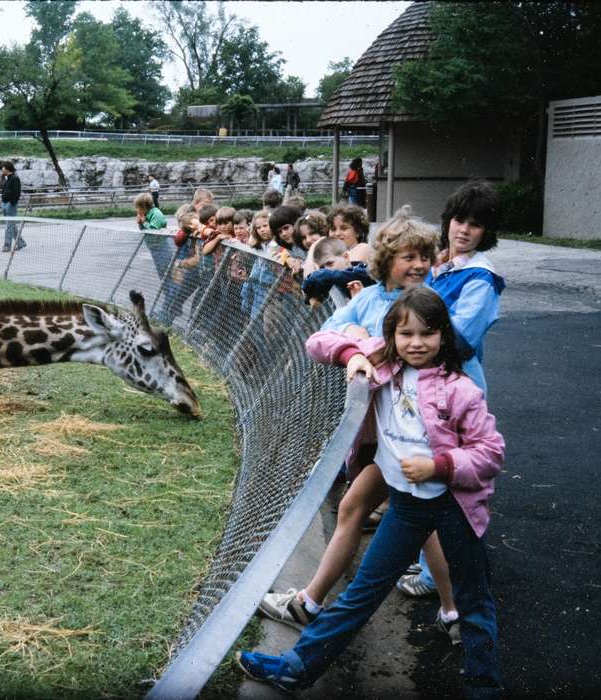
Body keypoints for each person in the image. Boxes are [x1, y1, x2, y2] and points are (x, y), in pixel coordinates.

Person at [237, 287, 504, 698]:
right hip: (406, 507)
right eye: (406, 334)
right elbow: (318, 342)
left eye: (428, 334)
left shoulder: (460, 388)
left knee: (473, 601)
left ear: (443, 337)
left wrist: (439, 466)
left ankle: (484, 685)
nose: (416, 343)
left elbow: (490, 453)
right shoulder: (385, 366)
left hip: (455, 509)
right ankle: (296, 667)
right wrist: (353, 355)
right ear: (392, 336)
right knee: (361, 593)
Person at [256, 207, 439, 637]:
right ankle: (456, 613)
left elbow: (436, 353)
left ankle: (312, 604)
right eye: (408, 256)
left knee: (409, 519)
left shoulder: (431, 303)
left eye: (424, 257)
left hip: (418, 438)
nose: (418, 265)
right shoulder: (369, 300)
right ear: (386, 259)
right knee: (386, 513)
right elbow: (318, 339)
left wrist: (367, 343)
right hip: (383, 438)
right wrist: (349, 349)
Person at [396, 181, 506, 620]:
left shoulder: (480, 277)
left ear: (486, 232)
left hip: (457, 384)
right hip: (432, 379)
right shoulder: (443, 267)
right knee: (432, 472)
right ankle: (433, 565)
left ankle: (444, 576)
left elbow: (460, 339)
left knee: (453, 479)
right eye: (459, 220)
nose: (463, 230)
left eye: (475, 225)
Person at [0, 161, 25, 252]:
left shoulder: (15, 178)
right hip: (5, 203)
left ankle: (7, 246)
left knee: (9, 226)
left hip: (10, 205)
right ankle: (21, 243)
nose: (1, 169)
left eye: (3, 167)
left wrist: (11, 203)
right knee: (11, 226)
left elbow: (17, 193)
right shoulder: (7, 178)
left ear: (7, 168)